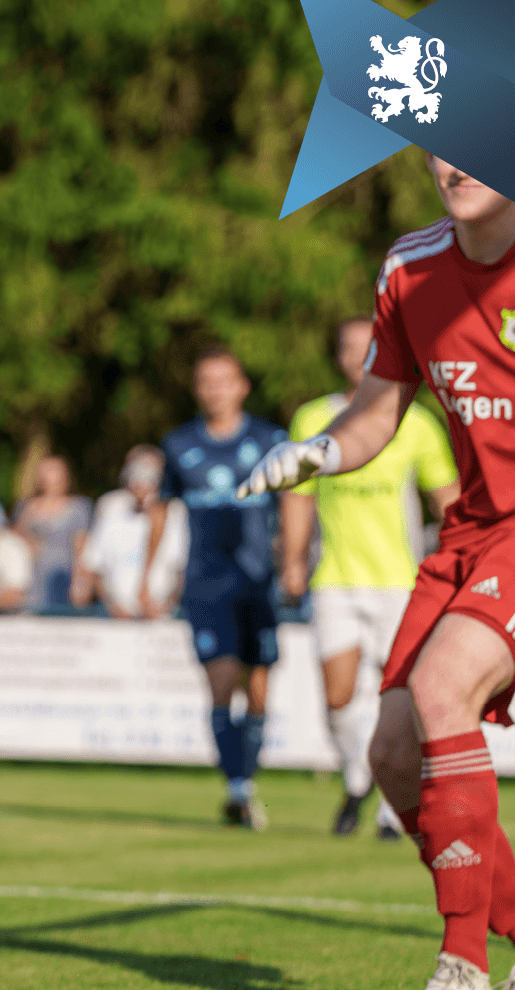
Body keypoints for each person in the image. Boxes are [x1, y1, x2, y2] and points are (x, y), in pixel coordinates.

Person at [242, 154, 515, 990]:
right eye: (438, 142)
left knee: (442, 689)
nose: (454, 162)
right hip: (470, 536)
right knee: (392, 755)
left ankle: (462, 963)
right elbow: (377, 408)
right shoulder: (409, 267)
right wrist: (320, 451)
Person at [283, 316, 458, 840]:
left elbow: (447, 499)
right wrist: (292, 560)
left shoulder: (416, 422)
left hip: (399, 581)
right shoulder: (314, 418)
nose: (359, 357)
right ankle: (360, 775)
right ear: (338, 356)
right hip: (335, 579)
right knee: (337, 696)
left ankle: (388, 806)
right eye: (350, 348)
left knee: (398, 697)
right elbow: (298, 496)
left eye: (369, 347)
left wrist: (464, 560)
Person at [161, 347, 286, 830]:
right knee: (219, 682)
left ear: (242, 386)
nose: (215, 390)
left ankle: (246, 780)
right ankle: (237, 789)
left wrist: (294, 560)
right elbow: (162, 513)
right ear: (197, 389)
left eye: (223, 380)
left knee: (257, 689)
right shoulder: (178, 444)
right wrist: (154, 576)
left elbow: (294, 504)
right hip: (206, 583)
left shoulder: (270, 440)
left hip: (258, 582)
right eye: (206, 382)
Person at [73, 446, 187, 619]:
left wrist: (166, 606)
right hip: (118, 615)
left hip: (159, 616)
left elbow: (181, 568)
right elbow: (95, 565)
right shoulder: (111, 510)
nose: (142, 483)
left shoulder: (176, 513)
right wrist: (111, 605)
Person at [14, 455, 91, 609]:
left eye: (52, 470)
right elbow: (16, 540)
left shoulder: (78, 508)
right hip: (31, 577)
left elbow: (81, 548)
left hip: (63, 576)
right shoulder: (25, 507)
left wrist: (81, 583)